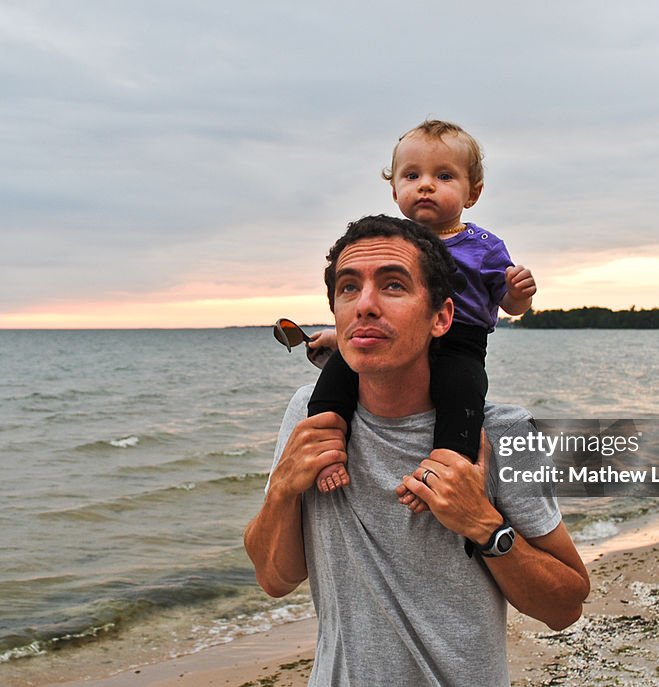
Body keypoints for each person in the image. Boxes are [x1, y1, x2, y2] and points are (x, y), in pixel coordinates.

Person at [244, 215, 589, 686]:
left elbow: (566, 606)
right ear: (335, 314)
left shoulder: (503, 432)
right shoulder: (311, 415)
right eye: (348, 288)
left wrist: (485, 526)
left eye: (392, 285)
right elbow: (275, 579)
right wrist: (283, 488)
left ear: (442, 317)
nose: (365, 305)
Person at [307, 120, 536, 493]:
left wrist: (519, 293)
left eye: (444, 176)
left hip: (461, 340)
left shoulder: (484, 246)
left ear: (472, 193)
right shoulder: (392, 243)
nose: (426, 185)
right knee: (338, 374)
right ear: (396, 192)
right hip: (400, 336)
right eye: (412, 175)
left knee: (461, 394)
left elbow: (510, 305)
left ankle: (445, 472)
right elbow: (378, 305)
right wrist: (342, 336)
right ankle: (326, 441)